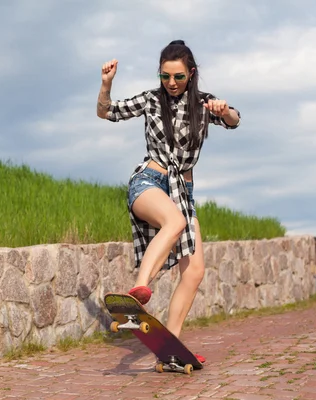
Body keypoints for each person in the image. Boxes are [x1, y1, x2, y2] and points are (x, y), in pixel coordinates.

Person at [96, 40, 241, 362]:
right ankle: (139, 290)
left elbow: (234, 121)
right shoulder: (151, 100)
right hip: (149, 181)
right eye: (165, 77)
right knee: (173, 222)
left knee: (195, 271)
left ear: (190, 74)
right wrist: (106, 85)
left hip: (183, 193)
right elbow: (106, 112)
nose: (171, 83)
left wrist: (224, 110)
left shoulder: (204, 104)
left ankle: (170, 348)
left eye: (177, 77)